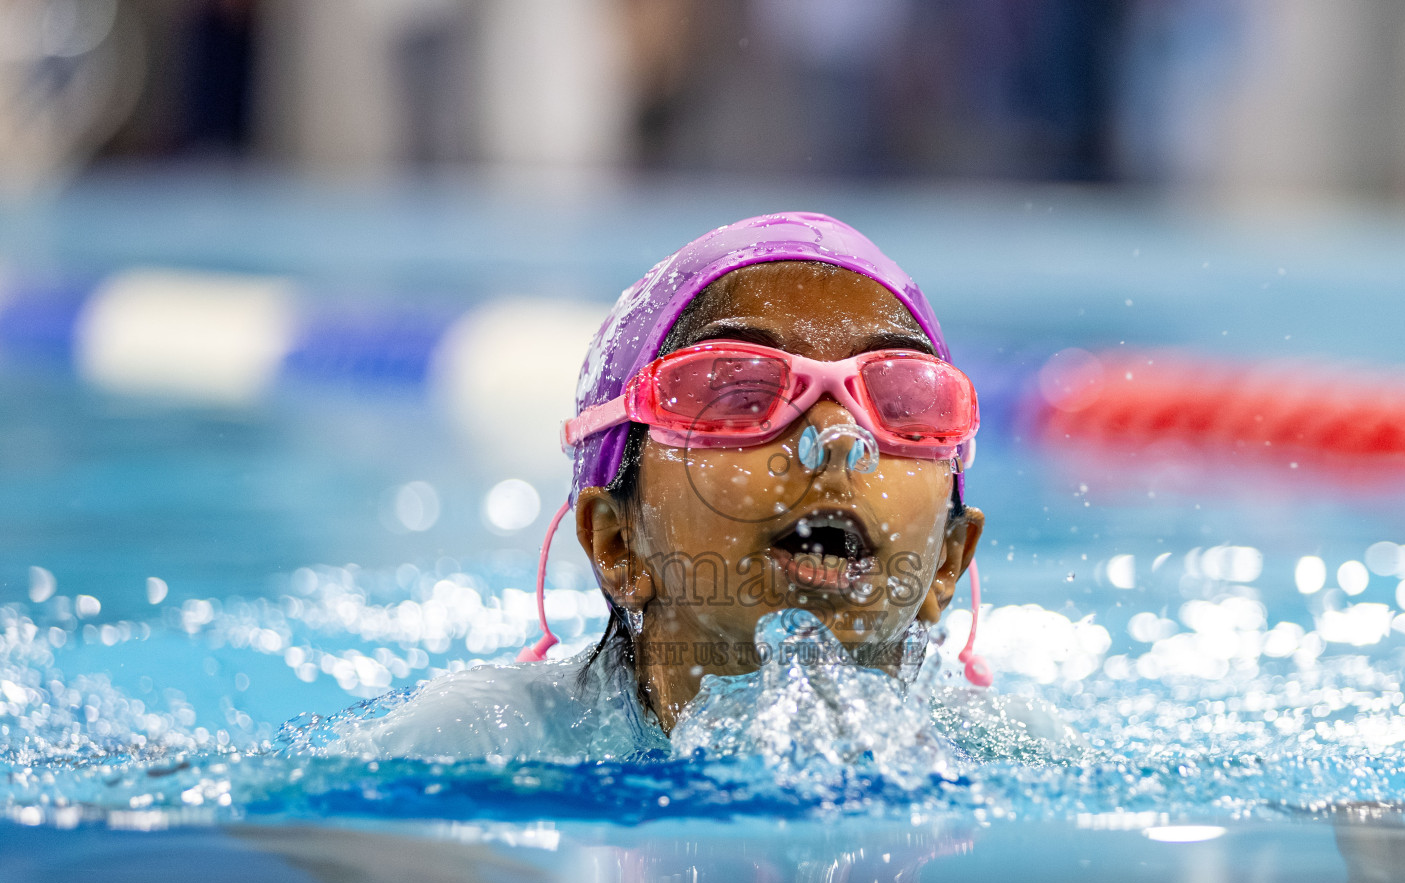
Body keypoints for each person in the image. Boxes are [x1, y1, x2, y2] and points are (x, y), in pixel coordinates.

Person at [318, 212, 1066, 762]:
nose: (838, 438)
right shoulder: (476, 744)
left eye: (902, 399)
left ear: (946, 562)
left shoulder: (1014, 757)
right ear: (617, 544)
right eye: (739, 394)